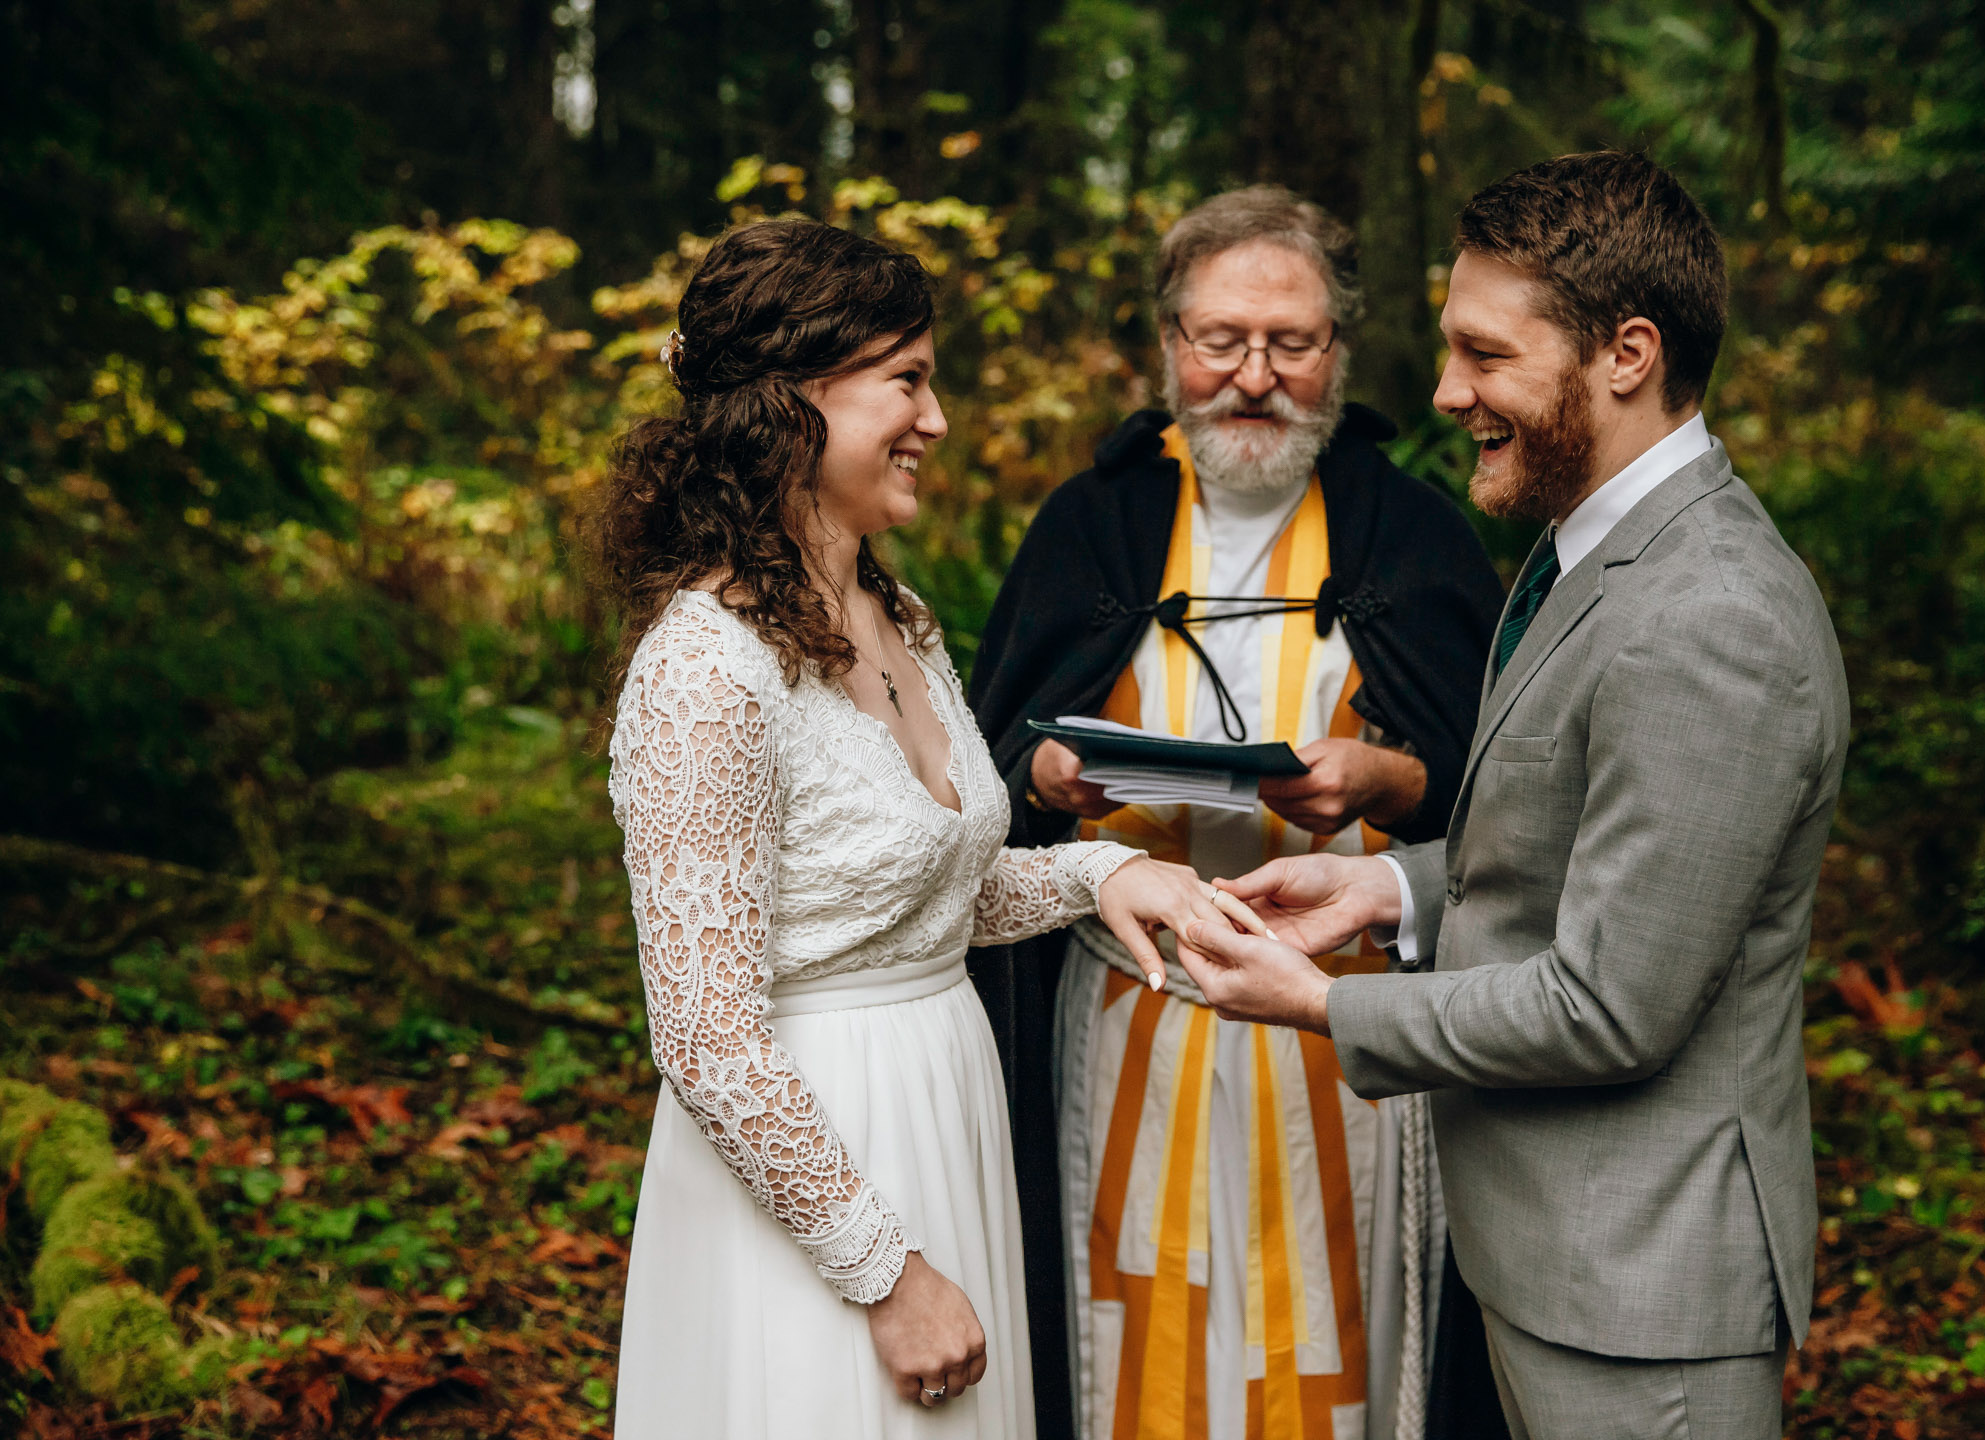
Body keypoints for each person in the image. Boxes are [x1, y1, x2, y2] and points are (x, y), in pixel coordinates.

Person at [1177, 151, 1851, 1440]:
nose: (1446, 393)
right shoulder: (1582, 549)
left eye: (1484, 355)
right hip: (1554, 1256)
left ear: (1627, 354)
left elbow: (1611, 1006)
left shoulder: (1712, 616)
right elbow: (1570, 844)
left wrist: (1324, 1004)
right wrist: (1382, 883)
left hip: (1648, 1303)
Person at [598, 218, 1234, 1440]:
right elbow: (705, 1035)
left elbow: (928, 893)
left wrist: (1107, 873)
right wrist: (884, 1273)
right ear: (789, 406)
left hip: (947, 1107)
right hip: (816, 1170)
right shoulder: (704, 670)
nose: (936, 419)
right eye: (907, 379)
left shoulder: (900, 613)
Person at [968, 187, 1504, 1440]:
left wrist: (1394, 781)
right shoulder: (1088, 525)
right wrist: (1045, 781)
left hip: (1345, 1028)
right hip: (1127, 1020)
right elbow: (985, 761)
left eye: (1291, 343)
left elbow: (1504, 787)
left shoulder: (1412, 532)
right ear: (1169, 347)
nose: (1252, 376)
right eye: (1220, 340)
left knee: (1332, 1336)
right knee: (1130, 1330)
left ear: (1341, 355)